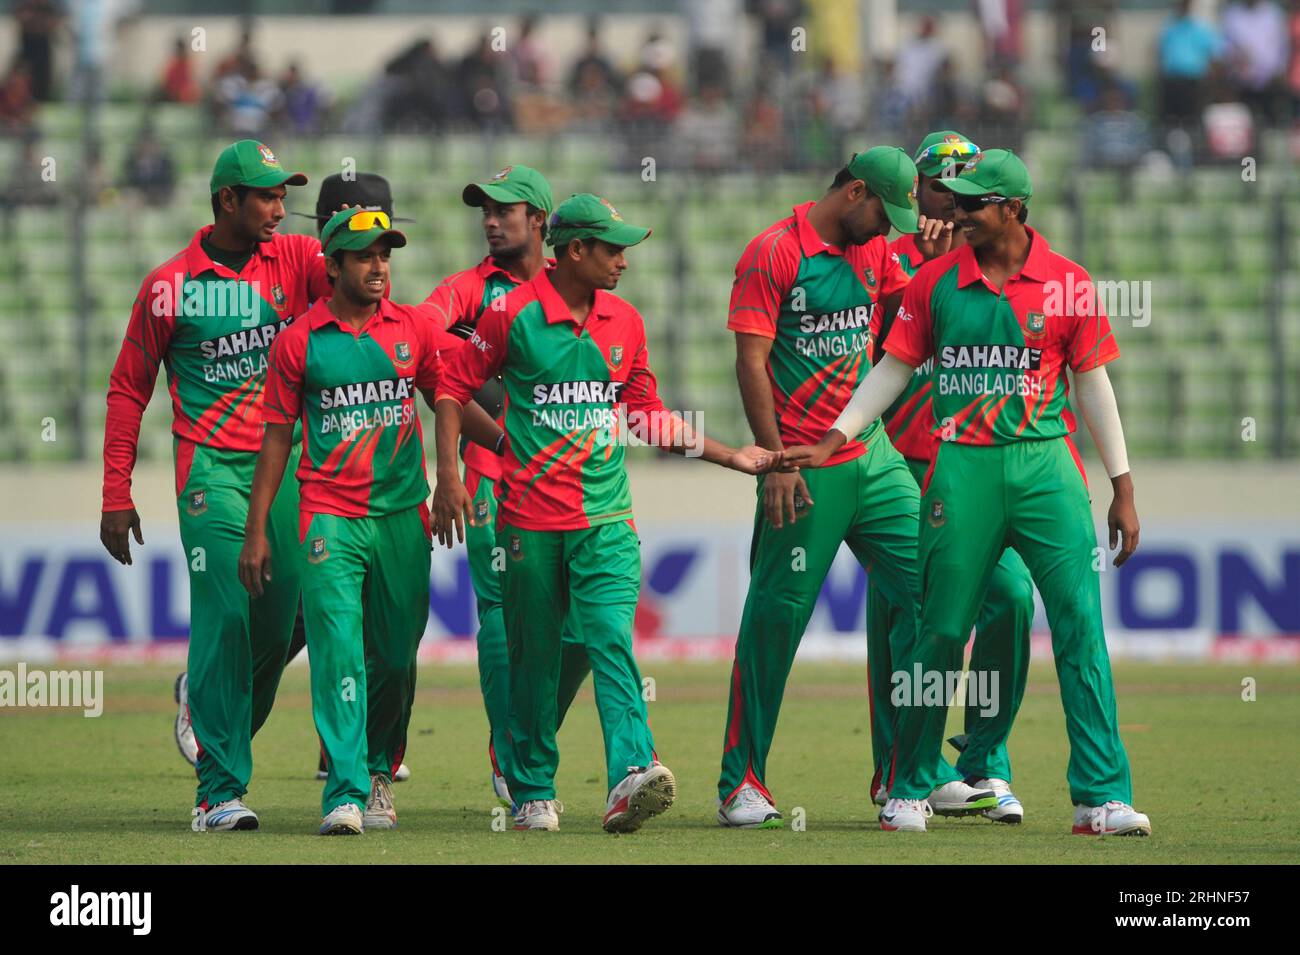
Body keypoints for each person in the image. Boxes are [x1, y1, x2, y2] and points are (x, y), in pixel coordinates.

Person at [785, 149, 1151, 837]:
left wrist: (1122, 486)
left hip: (1048, 466)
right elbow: (894, 368)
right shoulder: (935, 284)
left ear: (1014, 209)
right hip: (962, 468)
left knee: (1079, 623)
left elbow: (1093, 383)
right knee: (942, 629)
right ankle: (910, 785)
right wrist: (837, 436)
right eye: (956, 199)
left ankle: (1100, 796)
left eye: (975, 203)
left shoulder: (1069, 283)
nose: (957, 211)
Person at [431, 193, 779, 833]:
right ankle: (532, 788)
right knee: (535, 658)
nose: (623, 259)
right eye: (612, 248)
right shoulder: (510, 315)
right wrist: (449, 476)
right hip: (529, 525)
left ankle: (630, 772)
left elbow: (645, 413)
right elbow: (450, 385)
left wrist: (732, 456)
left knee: (610, 637)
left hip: (608, 520)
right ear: (574, 252)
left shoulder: (626, 321)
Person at [715, 146, 995, 830]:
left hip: (871, 456)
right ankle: (740, 783)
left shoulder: (877, 254)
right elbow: (749, 360)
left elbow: (916, 331)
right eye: (886, 212)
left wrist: (936, 261)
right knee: (775, 622)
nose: (891, 226)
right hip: (804, 468)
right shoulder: (772, 253)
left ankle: (909, 777)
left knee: (936, 596)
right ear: (854, 193)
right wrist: (777, 460)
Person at [242, 208, 502, 835]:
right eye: (364, 256)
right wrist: (256, 530)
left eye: (385, 255)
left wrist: (467, 469)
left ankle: (381, 769)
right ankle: (346, 789)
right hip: (329, 514)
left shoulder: (414, 327)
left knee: (393, 655)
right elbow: (277, 437)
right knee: (337, 650)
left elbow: (448, 396)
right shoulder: (299, 340)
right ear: (332, 266)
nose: (378, 266)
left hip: (400, 517)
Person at [101, 140, 329, 831]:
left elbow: (356, 295)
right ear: (226, 200)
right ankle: (217, 792)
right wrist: (116, 490)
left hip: (286, 469)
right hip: (211, 473)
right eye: (266, 196)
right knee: (228, 611)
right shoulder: (169, 285)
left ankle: (207, 716)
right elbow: (127, 387)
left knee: (283, 617)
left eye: (285, 196)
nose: (280, 209)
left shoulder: (295, 259)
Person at [171, 171, 416, 786]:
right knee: (282, 620)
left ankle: (350, 752)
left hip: (367, 492)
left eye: (381, 232)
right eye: (357, 233)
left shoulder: (390, 313)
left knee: (367, 640)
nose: (374, 253)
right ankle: (258, 756)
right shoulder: (294, 291)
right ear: (327, 241)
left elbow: (437, 376)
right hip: (292, 482)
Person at [865, 131, 1033, 824]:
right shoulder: (891, 254)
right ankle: (900, 771)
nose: (954, 201)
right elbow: (870, 362)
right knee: (907, 618)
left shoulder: (998, 257)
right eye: (940, 186)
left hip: (978, 464)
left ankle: (984, 759)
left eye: (967, 187)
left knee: (1013, 598)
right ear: (917, 192)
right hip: (901, 464)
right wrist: (920, 279)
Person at [421, 165, 589, 810]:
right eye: (484, 212)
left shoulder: (572, 289)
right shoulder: (467, 290)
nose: (490, 221)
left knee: (581, 625)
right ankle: (509, 751)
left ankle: (528, 732)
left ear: (540, 221)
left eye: (505, 211)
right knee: (498, 613)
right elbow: (423, 341)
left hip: (576, 480)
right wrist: (492, 421)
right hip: (497, 476)